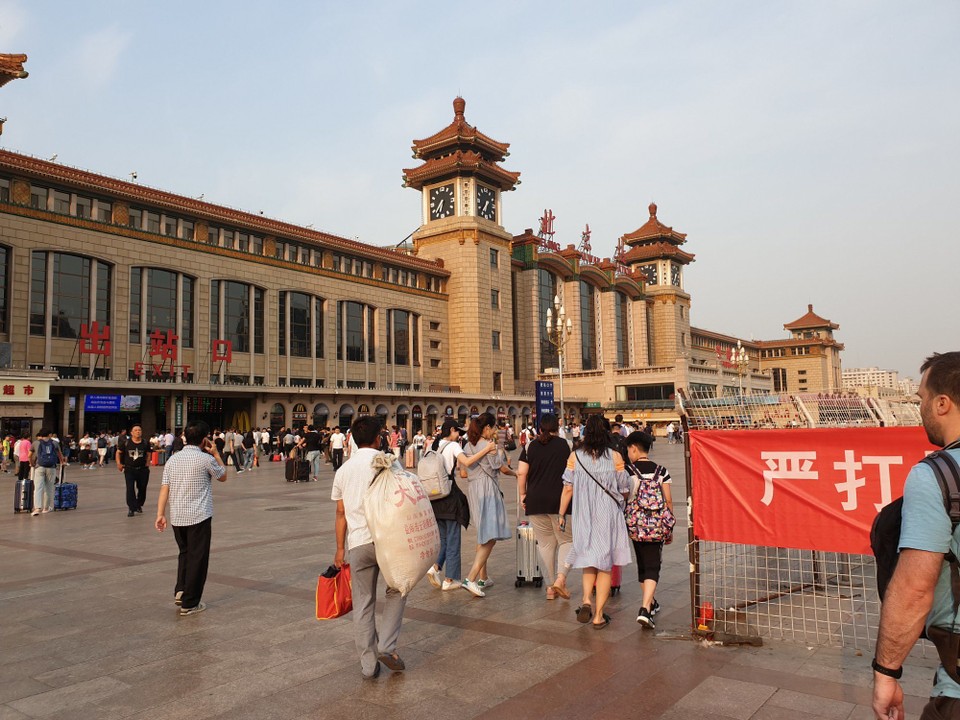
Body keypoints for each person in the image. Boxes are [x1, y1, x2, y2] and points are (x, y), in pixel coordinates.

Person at [873, 352, 960, 720]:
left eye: (921, 398)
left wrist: (886, 672)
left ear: (942, 403)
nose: (919, 406)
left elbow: (914, 588)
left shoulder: (938, 475)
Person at [332, 416, 406, 679]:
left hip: (359, 543)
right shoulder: (387, 463)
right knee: (397, 589)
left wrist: (340, 549)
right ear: (378, 438)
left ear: (352, 438)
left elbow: (340, 513)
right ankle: (387, 645)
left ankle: (368, 665)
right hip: (388, 541)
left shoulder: (343, 470)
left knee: (363, 603)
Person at [557, 414, 632, 629]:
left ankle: (586, 601)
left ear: (585, 432)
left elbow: (568, 487)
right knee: (605, 565)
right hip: (607, 514)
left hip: (584, 515)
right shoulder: (616, 457)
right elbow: (624, 489)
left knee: (588, 560)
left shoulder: (575, 457)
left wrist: (562, 513)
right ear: (607, 432)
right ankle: (598, 616)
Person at [155, 421, 226, 616]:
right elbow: (223, 476)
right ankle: (190, 602)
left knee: (185, 553)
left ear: (184, 437)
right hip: (199, 516)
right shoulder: (205, 459)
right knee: (198, 558)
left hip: (177, 516)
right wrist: (217, 454)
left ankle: (181, 589)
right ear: (204, 439)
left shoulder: (173, 460)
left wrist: (160, 514)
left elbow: (164, 488)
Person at [517, 413, 573, 601]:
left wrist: (523, 494)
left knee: (546, 545)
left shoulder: (529, 446)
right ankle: (560, 579)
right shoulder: (566, 446)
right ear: (557, 427)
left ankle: (550, 588)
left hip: (536, 500)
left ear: (539, 428)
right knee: (566, 541)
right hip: (561, 503)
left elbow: (521, 473)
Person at [461, 412, 515, 597]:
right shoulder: (489, 446)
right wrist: (517, 474)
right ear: (486, 428)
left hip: (473, 489)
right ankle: (471, 578)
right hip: (487, 489)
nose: (494, 430)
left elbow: (463, 471)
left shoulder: (468, 444)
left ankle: (483, 577)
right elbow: (501, 467)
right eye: (492, 427)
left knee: (482, 534)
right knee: (490, 536)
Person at [624, 430, 673, 629]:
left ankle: (648, 605)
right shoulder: (662, 471)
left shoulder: (628, 471)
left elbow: (625, 497)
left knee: (643, 565)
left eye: (629, 449)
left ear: (634, 448)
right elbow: (668, 500)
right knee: (653, 566)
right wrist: (668, 528)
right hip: (657, 527)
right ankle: (646, 607)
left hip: (636, 526)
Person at [424, 419, 473, 592]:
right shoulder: (453, 446)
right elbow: (467, 462)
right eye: (458, 431)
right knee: (453, 539)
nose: (459, 435)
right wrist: (487, 450)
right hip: (448, 496)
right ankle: (450, 579)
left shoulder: (432, 446)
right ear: (451, 430)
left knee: (443, 538)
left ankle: (436, 567)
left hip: (434, 498)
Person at [117, 425, 151, 517]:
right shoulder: (126, 442)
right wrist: (119, 463)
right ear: (131, 433)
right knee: (130, 488)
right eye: (135, 430)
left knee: (142, 488)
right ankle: (131, 508)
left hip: (143, 469)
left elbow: (148, 453)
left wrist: (148, 462)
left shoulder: (145, 442)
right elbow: (118, 452)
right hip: (129, 469)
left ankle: (139, 504)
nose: (138, 432)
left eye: (139, 430)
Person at [30, 429, 65, 516]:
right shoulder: (55, 443)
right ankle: (46, 508)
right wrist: (62, 462)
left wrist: (32, 464)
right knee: (49, 488)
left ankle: (37, 508)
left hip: (39, 467)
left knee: (38, 488)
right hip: (51, 468)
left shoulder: (36, 443)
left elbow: (29, 455)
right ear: (49, 435)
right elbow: (60, 454)